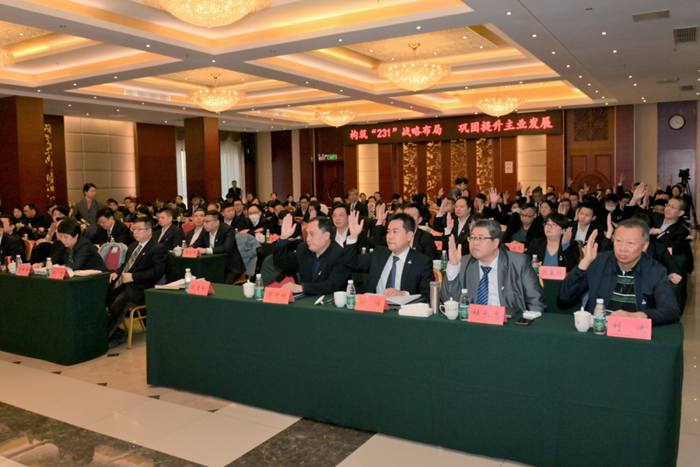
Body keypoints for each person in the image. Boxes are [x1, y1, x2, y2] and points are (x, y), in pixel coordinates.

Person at [560, 220, 680, 325]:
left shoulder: (655, 270)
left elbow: (671, 311)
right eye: (618, 241)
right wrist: (584, 263)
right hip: (599, 330)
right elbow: (565, 297)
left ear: (644, 246)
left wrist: (636, 316)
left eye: (630, 243)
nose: (622, 248)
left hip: (633, 333)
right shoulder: (598, 262)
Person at [441, 219, 547, 311]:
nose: (475, 243)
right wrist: (453, 265)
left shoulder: (519, 263)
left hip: (508, 323)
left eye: (481, 238)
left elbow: (536, 301)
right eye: (472, 238)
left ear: (495, 242)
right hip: (473, 323)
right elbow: (448, 300)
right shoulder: (463, 263)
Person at [107, 216, 168, 347]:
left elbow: (157, 272)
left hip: (141, 288)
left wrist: (133, 277)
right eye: (134, 229)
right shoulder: (133, 246)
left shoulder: (157, 248)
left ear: (149, 231)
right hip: (124, 283)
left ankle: (104, 337)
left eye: (139, 229)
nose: (135, 232)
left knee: (119, 304)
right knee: (102, 295)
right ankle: (115, 332)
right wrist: (116, 272)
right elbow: (125, 265)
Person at [344, 211, 433, 300]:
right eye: (388, 232)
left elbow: (427, 296)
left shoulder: (422, 262)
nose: (390, 236)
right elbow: (351, 262)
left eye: (395, 232)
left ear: (409, 236)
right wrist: (353, 236)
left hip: (404, 308)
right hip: (376, 306)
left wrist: (403, 294)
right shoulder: (379, 254)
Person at [273, 215, 350, 295]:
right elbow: (282, 265)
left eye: (312, 234)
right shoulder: (304, 249)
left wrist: (302, 288)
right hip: (307, 299)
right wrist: (283, 238)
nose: (308, 239)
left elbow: (333, 285)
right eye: (307, 234)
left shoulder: (340, 254)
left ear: (326, 236)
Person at [32, 218, 107, 272]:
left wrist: (61, 267)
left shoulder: (85, 245)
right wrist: (42, 264)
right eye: (61, 236)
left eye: (66, 237)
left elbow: (76, 265)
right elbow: (55, 259)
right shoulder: (64, 244)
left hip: (97, 279)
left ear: (76, 235)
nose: (63, 240)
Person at [192, 210, 246, 283]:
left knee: (224, 284)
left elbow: (226, 248)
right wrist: (190, 248)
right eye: (203, 221)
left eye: (207, 221)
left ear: (216, 222)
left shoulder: (227, 230)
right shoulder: (205, 230)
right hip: (213, 265)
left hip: (230, 266)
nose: (204, 224)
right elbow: (197, 243)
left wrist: (206, 250)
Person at [373, 202, 438, 259]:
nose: (407, 219)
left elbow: (430, 260)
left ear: (419, 220)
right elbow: (378, 245)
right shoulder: (396, 234)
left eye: (411, 216)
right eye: (405, 216)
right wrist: (379, 221)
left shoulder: (426, 237)